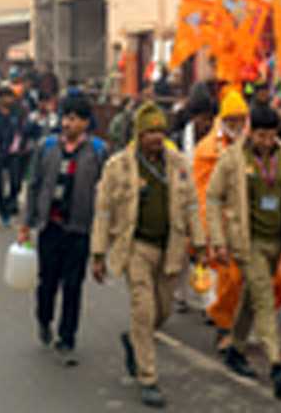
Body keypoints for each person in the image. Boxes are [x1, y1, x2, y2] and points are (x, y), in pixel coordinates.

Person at [206, 105, 281, 400]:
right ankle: (276, 365)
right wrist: (218, 238)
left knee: (252, 295)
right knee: (264, 298)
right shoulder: (233, 159)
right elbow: (213, 197)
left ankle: (235, 349)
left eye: (271, 135)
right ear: (251, 131)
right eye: (261, 135)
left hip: (276, 241)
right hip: (247, 242)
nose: (265, 141)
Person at [90, 102, 204, 409]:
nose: (156, 137)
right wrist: (98, 253)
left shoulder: (179, 164)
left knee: (161, 312)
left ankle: (134, 340)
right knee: (143, 308)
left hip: (171, 248)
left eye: (160, 131)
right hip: (136, 248)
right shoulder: (118, 166)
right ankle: (148, 377)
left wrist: (202, 244)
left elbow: (192, 204)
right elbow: (103, 211)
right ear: (139, 135)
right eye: (150, 131)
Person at [18, 94, 108, 367]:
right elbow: (34, 185)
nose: (67, 123)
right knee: (47, 282)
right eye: (65, 117)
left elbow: (106, 191)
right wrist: (26, 223)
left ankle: (68, 336)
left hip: (79, 229)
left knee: (73, 286)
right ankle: (44, 319)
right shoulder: (47, 148)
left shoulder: (98, 151)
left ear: (85, 122)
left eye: (73, 118)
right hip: (51, 226)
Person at [193, 88, 250, 350]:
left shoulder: (252, 145)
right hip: (221, 227)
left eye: (241, 120)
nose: (237, 127)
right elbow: (204, 193)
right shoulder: (207, 150)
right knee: (228, 279)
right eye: (232, 121)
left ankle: (238, 326)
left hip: (248, 224)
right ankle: (224, 326)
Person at [0, 84, 27, 226]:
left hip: (14, 152)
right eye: (6, 97)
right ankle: (3, 212)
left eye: (10, 97)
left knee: (16, 182)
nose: (9, 100)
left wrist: (20, 145)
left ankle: (10, 201)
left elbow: (22, 131)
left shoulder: (17, 113)